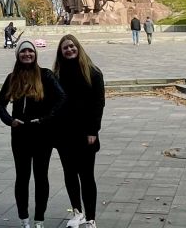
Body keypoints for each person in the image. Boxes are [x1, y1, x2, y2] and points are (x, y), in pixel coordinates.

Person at [0, 40, 65, 228]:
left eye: (30, 51)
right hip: (20, 134)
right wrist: (10, 120)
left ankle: (39, 219)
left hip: (42, 134)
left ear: (35, 54)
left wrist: (46, 119)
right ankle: (24, 217)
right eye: (23, 51)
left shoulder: (45, 75)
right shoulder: (12, 77)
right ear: (18, 55)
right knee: (22, 176)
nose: (27, 54)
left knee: (41, 176)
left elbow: (61, 98)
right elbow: (0, 103)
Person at [53, 35, 105, 228]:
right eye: (65, 48)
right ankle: (77, 212)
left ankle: (91, 218)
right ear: (61, 52)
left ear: (78, 48)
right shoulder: (56, 74)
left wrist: (93, 130)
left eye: (72, 46)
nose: (69, 50)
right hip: (63, 133)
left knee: (86, 176)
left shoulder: (93, 72)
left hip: (85, 133)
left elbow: (98, 104)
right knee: (69, 174)